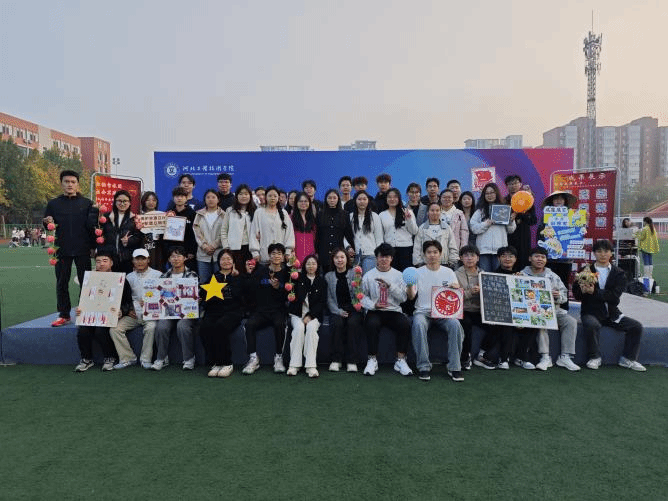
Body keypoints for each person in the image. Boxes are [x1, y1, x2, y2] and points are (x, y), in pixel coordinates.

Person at [572, 239, 646, 371]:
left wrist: (594, 292)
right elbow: (577, 294)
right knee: (592, 325)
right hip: (591, 312)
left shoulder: (619, 273)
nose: (603, 254)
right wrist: (583, 291)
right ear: (594, 253)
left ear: (611, 253)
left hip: (612, 313)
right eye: (599, 251)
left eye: (606, 251)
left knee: (636, 326)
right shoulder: (585, 270)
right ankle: (594, 357)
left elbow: (614, 297)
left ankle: (628, 359)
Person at [44, 170, 98, 327]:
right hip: (61, 248)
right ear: (61, 184)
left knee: (85, 283)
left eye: (73, 182)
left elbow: (92, 227)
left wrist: (93, 247)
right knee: (62, 282)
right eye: (66, 182)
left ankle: (85, 312)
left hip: (83, 248)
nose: (70, 185)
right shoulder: (53, 204)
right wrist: (47, 221)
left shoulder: (87, 203)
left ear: (77, 184)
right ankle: (64, 314)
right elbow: (48, 224)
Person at [408, 240, 465, 382]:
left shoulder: (449, 272)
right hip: (423, 311)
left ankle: (454, 367)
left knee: (455, 325)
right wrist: (409, 286)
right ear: (424, 255)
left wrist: (456, 288)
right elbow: (411, 296)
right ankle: (423, 366)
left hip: (443, 313)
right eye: (429, 252)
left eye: (435, 252)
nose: (432, 255)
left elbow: (455, 295)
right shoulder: (417, 272)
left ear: (440, 254)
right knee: (418, 324)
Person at [521, 247, 580, 371]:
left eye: (543, 257)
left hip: (554, 309)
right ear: (530, 258)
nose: (540, 259)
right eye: (537, 256)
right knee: (542, 320)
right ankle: (545, 357)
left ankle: (565, 357)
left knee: (571, 321)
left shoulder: (553, 276)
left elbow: (564, 295)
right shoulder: (522, 275)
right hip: (533, 311)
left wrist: (558, 296)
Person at [360, 243, 412, 376]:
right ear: (376, 258)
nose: (384, 259)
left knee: (405, 324)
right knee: (371, 324)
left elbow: (403, 298)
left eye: (387, 257)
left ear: (392, 258)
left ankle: (400, 360)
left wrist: (390, 286)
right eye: (381, 256)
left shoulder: (399, 275)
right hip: (375, 311)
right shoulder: (368, 276)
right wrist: (374, 305)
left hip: (393, 310)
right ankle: (372, 360)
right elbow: (361, 297)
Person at [73, 252, 130, 372]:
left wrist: (122, 311)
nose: (101, 264)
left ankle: (110, 357)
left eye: (105, 261)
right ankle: (86, 359)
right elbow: (84, 299)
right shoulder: (90, 279)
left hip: (111, 315)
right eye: (98, 261)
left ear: (111, 263)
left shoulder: (120, 279)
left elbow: (128, 301)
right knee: (83, 330)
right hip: (92, 314)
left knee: (101, 330)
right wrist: (80, 309)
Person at [242, 243, 290, 374]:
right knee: (249, 325)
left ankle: (278, 358)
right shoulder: (261, 271)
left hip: (278, 310)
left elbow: (288, 296)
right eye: (273, 253)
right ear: (269, 255)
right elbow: (249, 290)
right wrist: (249, 274)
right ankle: (253, 358)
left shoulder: (287, 273)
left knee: (280, 324)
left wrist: (278, 288)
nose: (276, 256)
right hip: (261, 311)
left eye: (279, 253)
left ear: (283, 256)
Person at [110, 249, 161, 369]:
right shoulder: (128, 277)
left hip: (151, 314)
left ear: (148, 260)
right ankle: (128, 358)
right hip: (133, 314)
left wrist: (153, 301)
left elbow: (164, 296)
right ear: (133, 261)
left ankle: (145, 359)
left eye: (143, 259)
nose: (140, 262)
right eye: (137, 259)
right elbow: (124, 298)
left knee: (151, 327)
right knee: (115, 329)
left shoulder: (158, 275)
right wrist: (128, 310)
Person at [151, 246, 199, 371]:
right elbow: (158, 295)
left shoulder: (192, 274)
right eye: (173, 256)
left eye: (178, 256)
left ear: (185, 258)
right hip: (168, 311)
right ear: (169, 259)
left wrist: (197, 299)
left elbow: (196, 294)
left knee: (182, 326)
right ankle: (161, 358)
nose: (176, 259)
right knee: (161, 327)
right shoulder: (164, 276)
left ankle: (189, 358)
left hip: (186, 312)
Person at [199, 249, 245, 378]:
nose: (226, 261)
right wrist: (199, 299)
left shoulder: (238, 277)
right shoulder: (213, 277)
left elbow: (241, 296)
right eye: (223, 259)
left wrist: (232, 279)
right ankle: (215, 362)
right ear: (218, 262)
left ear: (233, 261)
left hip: (233, 311)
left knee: (220, 326)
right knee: (205, 327)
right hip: (214, 311)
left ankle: (227, 363)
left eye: (229, 259)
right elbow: (204, 295)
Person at [455, 245, 496, 370]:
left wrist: (482, 291)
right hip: (462, 310)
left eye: (472, 255)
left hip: (480, 310)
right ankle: (465, 356)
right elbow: (454, 297)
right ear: (461, 258)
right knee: (466, 324)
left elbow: (491, 296)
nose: (469, 258)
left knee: (495, 323)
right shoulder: (455, 274)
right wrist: (470, 292)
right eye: (466, 255)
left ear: (478, 258)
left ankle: (481, 354)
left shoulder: (484, 274)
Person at [537, 190, 579, 307]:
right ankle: (548, 309)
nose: (559, 201)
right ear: (552, 202)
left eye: (561, 198)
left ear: (565, 201)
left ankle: (564, 309)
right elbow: (540, 235)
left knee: (564, 284)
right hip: (550, 258)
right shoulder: (546, 216)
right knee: (548, 284)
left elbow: (578, 233)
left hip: (566, 258)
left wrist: (583, 221)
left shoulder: (573, 215)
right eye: (556, 199)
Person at [287, 254, 326, 378]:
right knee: (298, 329)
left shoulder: (321, 281)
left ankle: (311, 366)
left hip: (314, 315)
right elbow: (292, 293)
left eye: (313, 263)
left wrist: (310, 316)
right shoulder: (298, 278)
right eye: (308, 263)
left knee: (311, 329)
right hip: (297, 314)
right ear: (304, 266)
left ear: (317, 266)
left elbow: (322, 303)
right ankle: (294, 365)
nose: (311, 266)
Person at [325, 248, 364, 372]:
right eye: (336, 257)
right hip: (337, 309)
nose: (339, 260)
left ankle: (352, 361)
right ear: (333, 260)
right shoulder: (328, 276)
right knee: (337, 323)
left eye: (342, 257)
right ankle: (336, 360)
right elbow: (329, 299)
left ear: (347, 259)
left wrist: (358, 282)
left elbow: (360, 294)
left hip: (353, 308)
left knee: (352, 324)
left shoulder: (354, 272)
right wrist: (338, 311)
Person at [470, 182, 517, 272]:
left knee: (499, 276)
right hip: (483, 251)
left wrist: (511, 221)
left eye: (492, 192)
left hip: (500, 251)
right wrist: (485, 224)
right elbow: (473, 228)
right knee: (485, 276)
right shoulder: (480, 211)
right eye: (487, 193)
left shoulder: (504, 209)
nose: (489, 195)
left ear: (497, 193)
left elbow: (511, 230)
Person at [98, 190, 143, 274]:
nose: (122, 203)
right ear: (115, 202)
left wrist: (129, 241)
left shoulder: (135, 219)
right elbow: (100, 234)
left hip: (127, 258)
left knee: (125, 281)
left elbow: (138, 237)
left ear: (129, 203)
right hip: (109, 258)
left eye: (125, 201)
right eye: (119, 201)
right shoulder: (106, 217)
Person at [250, 185, 295, 264]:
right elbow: (254, 233)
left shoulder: (284, 213)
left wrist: (288, 251)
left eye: (275, 196)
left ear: (278, 198)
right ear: (266, 197)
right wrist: (255, 253)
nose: (272, 198)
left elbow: (289, 233)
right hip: (264, 256)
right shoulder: (259, 213)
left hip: (280, 257)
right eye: (270, 196)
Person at [316, 189, 355, 273]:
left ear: (338, 199)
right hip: (324, 251)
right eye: (329, 198)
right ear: (326, 199)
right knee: (326, 275)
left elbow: (348, 234)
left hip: (338, 251)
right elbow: (317, 235)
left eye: (334, 198)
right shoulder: (320, 214)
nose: (332, 200)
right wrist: (316, 251)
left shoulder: (344, 214)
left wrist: (352, 247)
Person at [379, 188, 418, 271]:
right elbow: (381, 235)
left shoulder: (407, 211)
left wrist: (409, 219)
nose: (392, 199)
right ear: (386, 199)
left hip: (406, 249)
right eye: (389, 197)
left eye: (395, 197)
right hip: (389, 250)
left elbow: (414, 231)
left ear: (399, 198)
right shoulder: (382, 215)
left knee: (406, 274)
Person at [221, 184, 256, 273]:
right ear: (236, 196)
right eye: (241, 194)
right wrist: (226, 247)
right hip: (234, 249)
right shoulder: (230, 210)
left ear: (250, 196)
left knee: (250, 274)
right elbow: (224, 230)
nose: (243, 196)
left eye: (246, 194)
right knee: (236, 274)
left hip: (251, 249)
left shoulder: (256, 211)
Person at [505, 174, 537, 270]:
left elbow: (533, 220)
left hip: (523, 238)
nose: (513, 186)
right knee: (509, 264)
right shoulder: (503, 201)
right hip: (508, 238)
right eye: (510, 184)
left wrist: (520, 213)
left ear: (520, 184)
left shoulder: (528, 200)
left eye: (515, 183)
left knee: (523, 264)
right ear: (507, 186)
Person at [193, 189, 225, 284]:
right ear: (205, 200)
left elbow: (225, 232)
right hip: (203, 254)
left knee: (220, 282)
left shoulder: (224, 215)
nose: (210, 199)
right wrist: (204, 246)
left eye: (213, 197)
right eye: (208, 197)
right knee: (203, 282)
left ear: (218, 200)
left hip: (219, 253)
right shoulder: (199, 214)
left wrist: (214, 245)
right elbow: (196, 231)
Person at [347, 190, 383, 274]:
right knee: (355, 280)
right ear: (355, 201)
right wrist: (348, 247)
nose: (362, 201)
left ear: (368, 201)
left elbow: (379, 238)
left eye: (364, 199)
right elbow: (345, 235)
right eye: (359, 199)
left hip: (370, 254)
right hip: (354, 255)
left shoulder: (374, 216)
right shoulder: (350, 217)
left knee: (368, 278)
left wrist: (379, 255)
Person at [413, 203, 458, 268]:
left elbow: (452, 246)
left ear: (440, 212)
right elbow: (417, 247)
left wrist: (452, 262)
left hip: (444, 263)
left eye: (437, 210)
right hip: (426, 264)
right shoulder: (422, 228)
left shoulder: (447, 228)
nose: (435, 213)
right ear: (428, 212)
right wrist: (419, 263)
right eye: (432, 210)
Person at [139, 191, 164, 269]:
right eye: (148, 200)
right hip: (144, 249)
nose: (151, 202)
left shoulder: (162, 217)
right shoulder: (139, 218)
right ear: (144, 201)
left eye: (154, 200)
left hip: (159, 251)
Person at [291, 192, 317, 264]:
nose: (303, 203)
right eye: (300, 201)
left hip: (310, 256)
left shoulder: (313, 220)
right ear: (296, 203)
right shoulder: (290, 218)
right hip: (295, 256)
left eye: (305, 201)